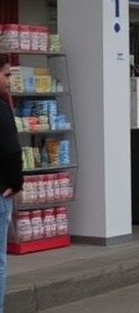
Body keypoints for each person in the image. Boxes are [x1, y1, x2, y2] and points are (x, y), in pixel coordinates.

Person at [0, 55, 23, 312]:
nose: (9, 80)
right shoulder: (2, 108)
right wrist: (16, 184)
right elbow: (11, 150)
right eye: (6, 75)